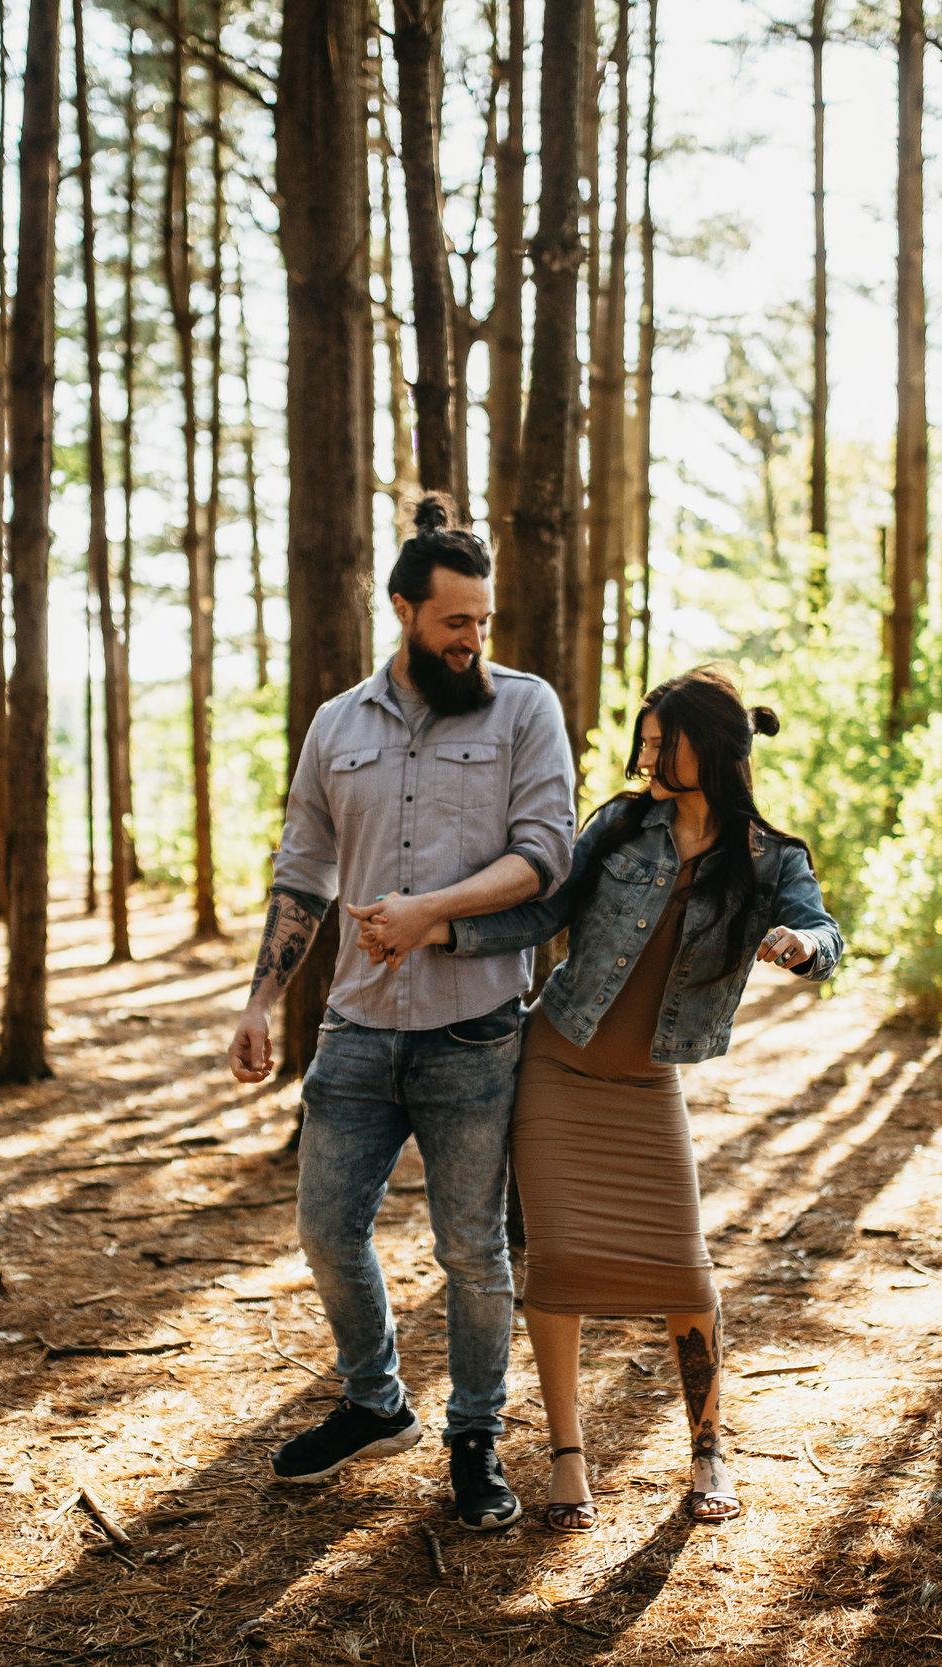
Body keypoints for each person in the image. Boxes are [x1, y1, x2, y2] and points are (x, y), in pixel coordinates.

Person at [348, 666, 844, 1533]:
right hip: (558, 1068)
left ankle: (708, 1448)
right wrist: (441, 925)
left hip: (649, 1086)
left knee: (687, 1278)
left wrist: (801, 944)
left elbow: (827, 933)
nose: (645, 755)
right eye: (644, 741)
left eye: (663, 743)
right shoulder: (619, 826)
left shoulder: (773, 858)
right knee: (561, 1269)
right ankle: (569, 1457)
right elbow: (540, 915)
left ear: (713, 751)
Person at [226, 494, 575, 1531]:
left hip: (476, 1029)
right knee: (326, 1226)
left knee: (471, 1248)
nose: (473, 641)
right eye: (453, 622)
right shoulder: (338, 724)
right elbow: (303, 872)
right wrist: (258, 1001)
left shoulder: (525, 708)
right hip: (354, 1025)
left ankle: (475, 1437)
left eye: (483, 621)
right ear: (403, 611)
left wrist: (435, 911)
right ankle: (375, 1401)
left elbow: (545, 854)